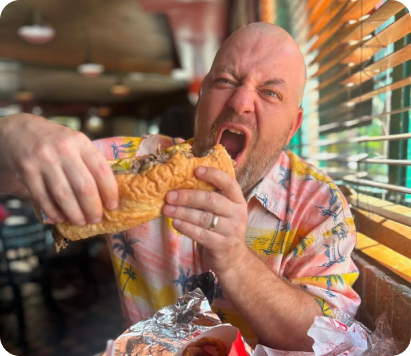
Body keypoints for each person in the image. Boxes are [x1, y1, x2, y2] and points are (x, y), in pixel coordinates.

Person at [0, 23, 360, 351]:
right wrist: (13, 135)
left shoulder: (321, 205)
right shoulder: (140, 164)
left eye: (269, 93)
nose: (239, 102)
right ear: (200, 97)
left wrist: (235, 261)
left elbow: (323, 338)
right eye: (225, 82)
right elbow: (23, 177)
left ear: (294, 124)